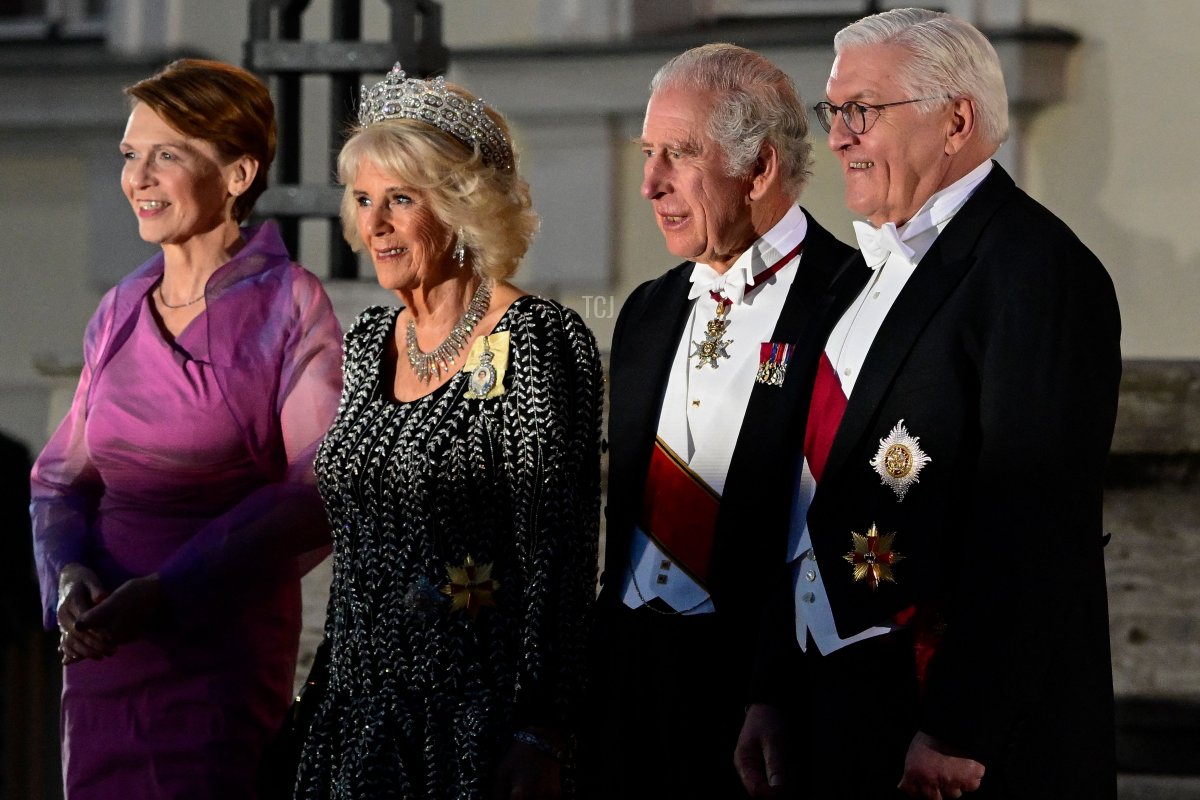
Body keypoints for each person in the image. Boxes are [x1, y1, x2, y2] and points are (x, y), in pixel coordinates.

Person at [734, 8, 1122, 799]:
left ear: (957, 120)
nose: (837, 136)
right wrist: (771, 686)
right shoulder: (855, 275)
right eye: (833, 112)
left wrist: (958, 728)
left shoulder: (1036, 271)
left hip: (948, 738)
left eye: (862, 112)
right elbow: (808, 496)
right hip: (828, 705)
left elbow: (1036, 524)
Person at [30, 59, 343, 799]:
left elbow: (313, 488)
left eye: (166, 153)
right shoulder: (118, 307)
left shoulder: (288, 304)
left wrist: (167, 592)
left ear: (238, 172)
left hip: (216, 659)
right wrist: (68, 573)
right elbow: (60, 477)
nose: (138, 177)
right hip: (104, 654)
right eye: (130, 155)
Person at [292, 65, 603, 800]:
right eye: (364, 201)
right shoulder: (371, 340)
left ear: (464, 206)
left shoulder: (533, 338)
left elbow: (558, 552)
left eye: (401, 199)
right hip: (353, 723)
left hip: (474, 728)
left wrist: (541, 728)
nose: (374, 225)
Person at [585, 44, 855, 799]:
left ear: (760, 169)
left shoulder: (852, 303)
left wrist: (774, 688)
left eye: (679, 153)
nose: (649, 183)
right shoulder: (645, 309)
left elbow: (830, 527)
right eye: (648, 152)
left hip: (759, 699)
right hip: (630, 686)